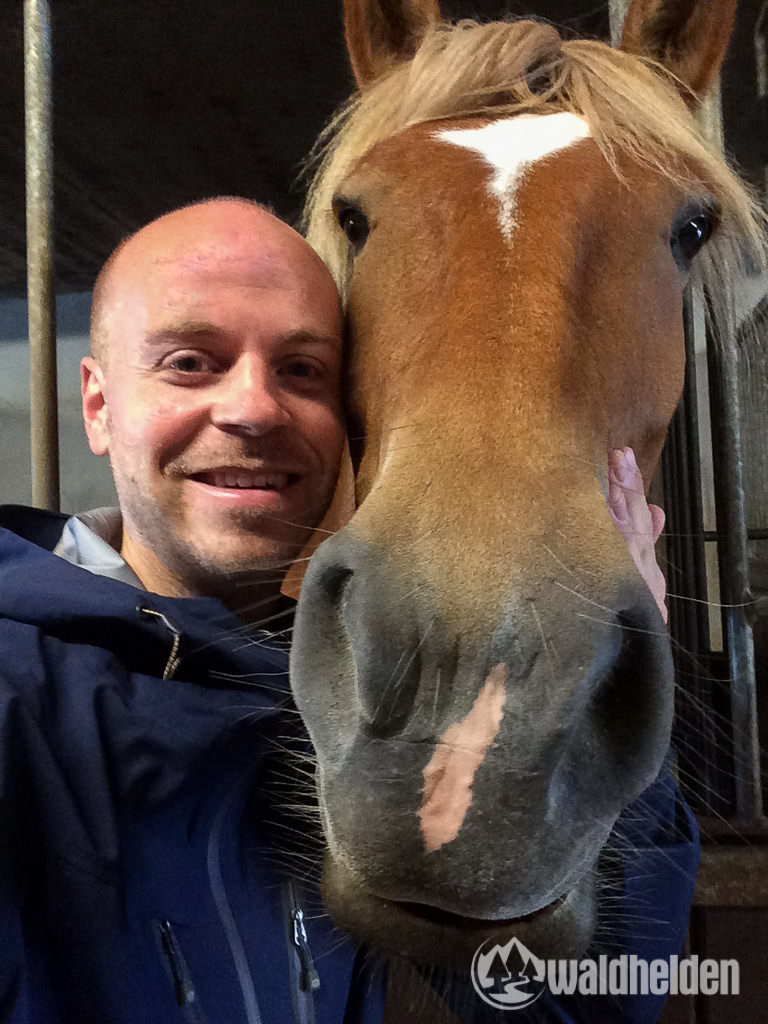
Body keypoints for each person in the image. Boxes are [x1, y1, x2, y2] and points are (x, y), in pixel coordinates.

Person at [0, 198, 694, 1024]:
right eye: (191, 362)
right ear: (99, 407)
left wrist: (598, 709)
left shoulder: (368, 687)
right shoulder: (15, 686)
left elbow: (574, 1012)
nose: (253, 409)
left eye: (303, 370)